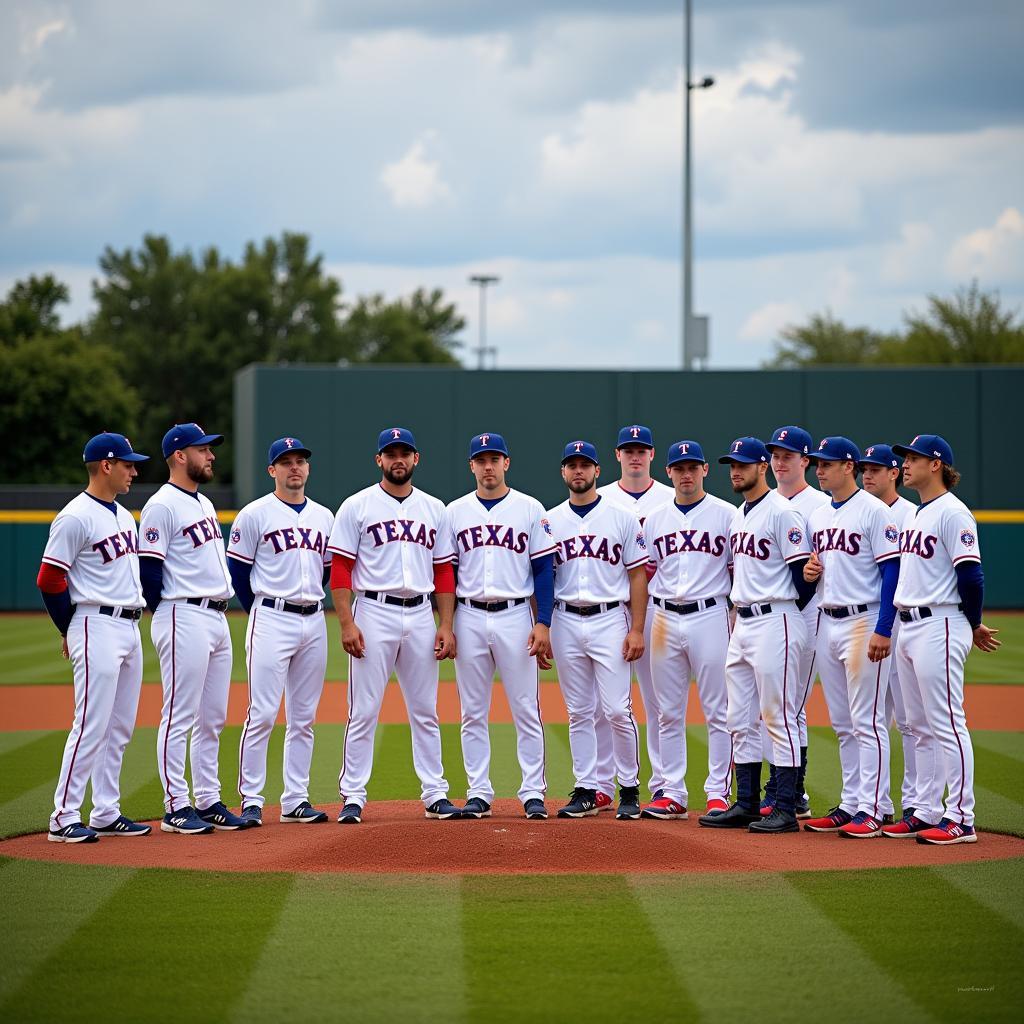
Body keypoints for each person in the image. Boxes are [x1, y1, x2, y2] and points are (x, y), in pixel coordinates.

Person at [328, 428, 462, 823]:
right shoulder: (357, 506)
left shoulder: (434, 508)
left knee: (425, 709)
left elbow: (443, 572)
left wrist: (446, 623)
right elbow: (340, 568)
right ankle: (353, 795)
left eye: (405, 453)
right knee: (364, 710)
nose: (398, 459)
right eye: (391, 453)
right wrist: (347, 623)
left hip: (421, 613)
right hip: (373, 611)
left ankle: (435, 793)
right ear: (379, 460)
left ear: (416, 459)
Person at [37, 432, 151, 842]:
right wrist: (67, 626)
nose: (133, 471)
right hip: (94, 622)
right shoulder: (75, 516)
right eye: (127, 464)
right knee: (90, 724)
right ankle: (63, 815)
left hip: (128, 625)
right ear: (106, 465)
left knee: (120, 726)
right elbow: (49, 578)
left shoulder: (122, 515)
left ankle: (106, 810)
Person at [699, 437, 815, 834]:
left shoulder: (783, 513)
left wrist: (781, 614)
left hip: (776, 618)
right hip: (744, 621)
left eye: (744, 464)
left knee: (778, 716)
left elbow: (805, 579)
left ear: (762, 467)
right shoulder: (739, 515)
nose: (736, 470)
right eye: (732, 464)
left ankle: (785, 806)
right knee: (739, 718)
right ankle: (746, 803)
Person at [888, 434, 1000, 844]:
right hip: (910, 624)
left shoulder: (954, 513)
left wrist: (972, 622)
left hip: (941, 622)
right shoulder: (919, 514)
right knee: (916, 725)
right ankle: (927, 810)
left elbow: (971, 575)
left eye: (912, 458)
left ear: (935, 464)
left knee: (947, 722)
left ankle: (961, 817)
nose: (905, 465)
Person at [139, 423, 245, 836]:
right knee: (179, 714)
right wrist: (168, 612)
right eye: (204, 449)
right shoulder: (162, 505)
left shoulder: (201, 503)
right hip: (183, 612)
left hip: (216, 617)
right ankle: (176, 806)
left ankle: (208, 799)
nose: (212, 456)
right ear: (181, 455)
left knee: (213, 717)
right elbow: (149, 570)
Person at [447, 433, 556, 820]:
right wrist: (447, 622)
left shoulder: (529, 508)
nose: (488, 465)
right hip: (469, 614)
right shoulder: (454, 512)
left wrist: (543, 622)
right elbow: (447, 571)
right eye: (481, 459)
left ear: (506, 463)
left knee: (526, 708)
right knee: (472, 711)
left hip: (515, 615)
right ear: (472, 466)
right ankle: (479, 792)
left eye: (495, 458)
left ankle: (533, 792)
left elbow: (544, 569)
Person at [227, 437, 335, 826]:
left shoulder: (325, 516)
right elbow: (238, 572)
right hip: (271, 616)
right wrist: (259, 606)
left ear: (308, 468)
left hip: (313, 618)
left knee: (303, 717)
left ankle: (295, 799)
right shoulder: (255, 514)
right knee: (262, 713)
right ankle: (252, 800)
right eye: (285, 462)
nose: (294, 467)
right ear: (272, 470)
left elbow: (326, 571)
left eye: (300, 461)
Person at [800, 437, 901, 838]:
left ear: (849, 467)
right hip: (829, 620)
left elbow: (892, 572)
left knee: (869, 721)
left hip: (864, 619)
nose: (820, 470)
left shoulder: (875, 512)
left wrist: (884, 627)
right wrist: (811, 574)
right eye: (818, 464)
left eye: (827, 464)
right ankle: (851, 802)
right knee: (843, 723)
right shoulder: (818, 515)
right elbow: (817, 568)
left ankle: (874, 808)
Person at [546, 440, 649, 819]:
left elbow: (637, 575)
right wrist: (542, 625)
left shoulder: (621, 516)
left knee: (617, 710)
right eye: (571, 464)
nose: (578, 471)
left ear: (597, 471)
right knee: (578, 712)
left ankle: (630, 789)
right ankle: (587, 787)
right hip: (566, 619)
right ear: (563, 472)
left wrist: (636, 628)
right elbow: (543, 577)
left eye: (584, 464)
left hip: (610, 618)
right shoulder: (550, 519)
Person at [641, 441, 734, 819]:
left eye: (693, 467)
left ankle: (717, 793)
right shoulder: (655, 519)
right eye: (679, 468)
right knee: (667, 711)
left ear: (705, 470)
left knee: (718, 710)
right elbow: (646, 572)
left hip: (710, 615)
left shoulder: (727, 515)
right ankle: (672, 790)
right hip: (663, 616)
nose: (686, 474)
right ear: (668, 473)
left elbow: (738, 570)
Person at [595, 424, 675, 809]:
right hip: (609, 610)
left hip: (656, 607)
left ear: (652, 455)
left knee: (658, 701)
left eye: (641, 449)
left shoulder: (672, 497)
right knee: (601, 705)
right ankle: (600, 783)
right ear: (617, 456)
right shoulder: (602, 498)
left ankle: (662, 783)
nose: (635, 456)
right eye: (628, 450)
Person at [859, 444, 932, 830]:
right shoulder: (860, 512)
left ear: (893, 474)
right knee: (873, 718)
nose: (868, 475)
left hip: (902, 623)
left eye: (877, 469)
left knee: (909, 719)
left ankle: (918, 805)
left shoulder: (910, 514)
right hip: (867, 623)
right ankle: (877, 803)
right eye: (864, 469)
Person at [761, 425, 829, 819]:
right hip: (767, 619)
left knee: (791, 706)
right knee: (773, 706)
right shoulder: (761, 503)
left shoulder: (820, 506)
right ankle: (788, 789)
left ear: (805, 461)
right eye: (776, 455)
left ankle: (791, 790)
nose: (780, 462)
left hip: (808, 614)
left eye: (788, 455)